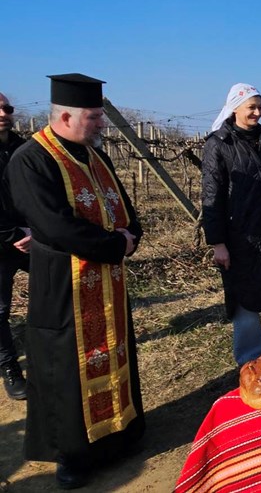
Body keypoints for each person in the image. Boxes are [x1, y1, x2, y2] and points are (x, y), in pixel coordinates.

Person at [7, 74, 144, 489]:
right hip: (64, 285)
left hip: (108, 283)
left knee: (115, 354)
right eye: (94, 116)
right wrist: (115, 244)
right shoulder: (31, 159)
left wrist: (131, 235)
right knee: (65, 368)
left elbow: (127, 211)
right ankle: (72, 454)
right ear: (66, 116)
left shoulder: (96, 156)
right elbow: (55, 226)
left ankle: (117, 437)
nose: (102, 124)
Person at [201, 83, 261, 366]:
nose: (257, 112)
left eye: (260, 107)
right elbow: (211, 195)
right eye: (251, 107)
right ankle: (252, 363)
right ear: (235, 108)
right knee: (244, 296)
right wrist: (218, 242)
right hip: (241, 235)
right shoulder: (218, 144)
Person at [0, 92, 30, 400]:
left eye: (7, 108)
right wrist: (12, 234)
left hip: (32, 238)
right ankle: (10, 369)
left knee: (63, 284)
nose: (3, 113)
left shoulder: (24, 149)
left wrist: (38, 230)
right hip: (4, 241)